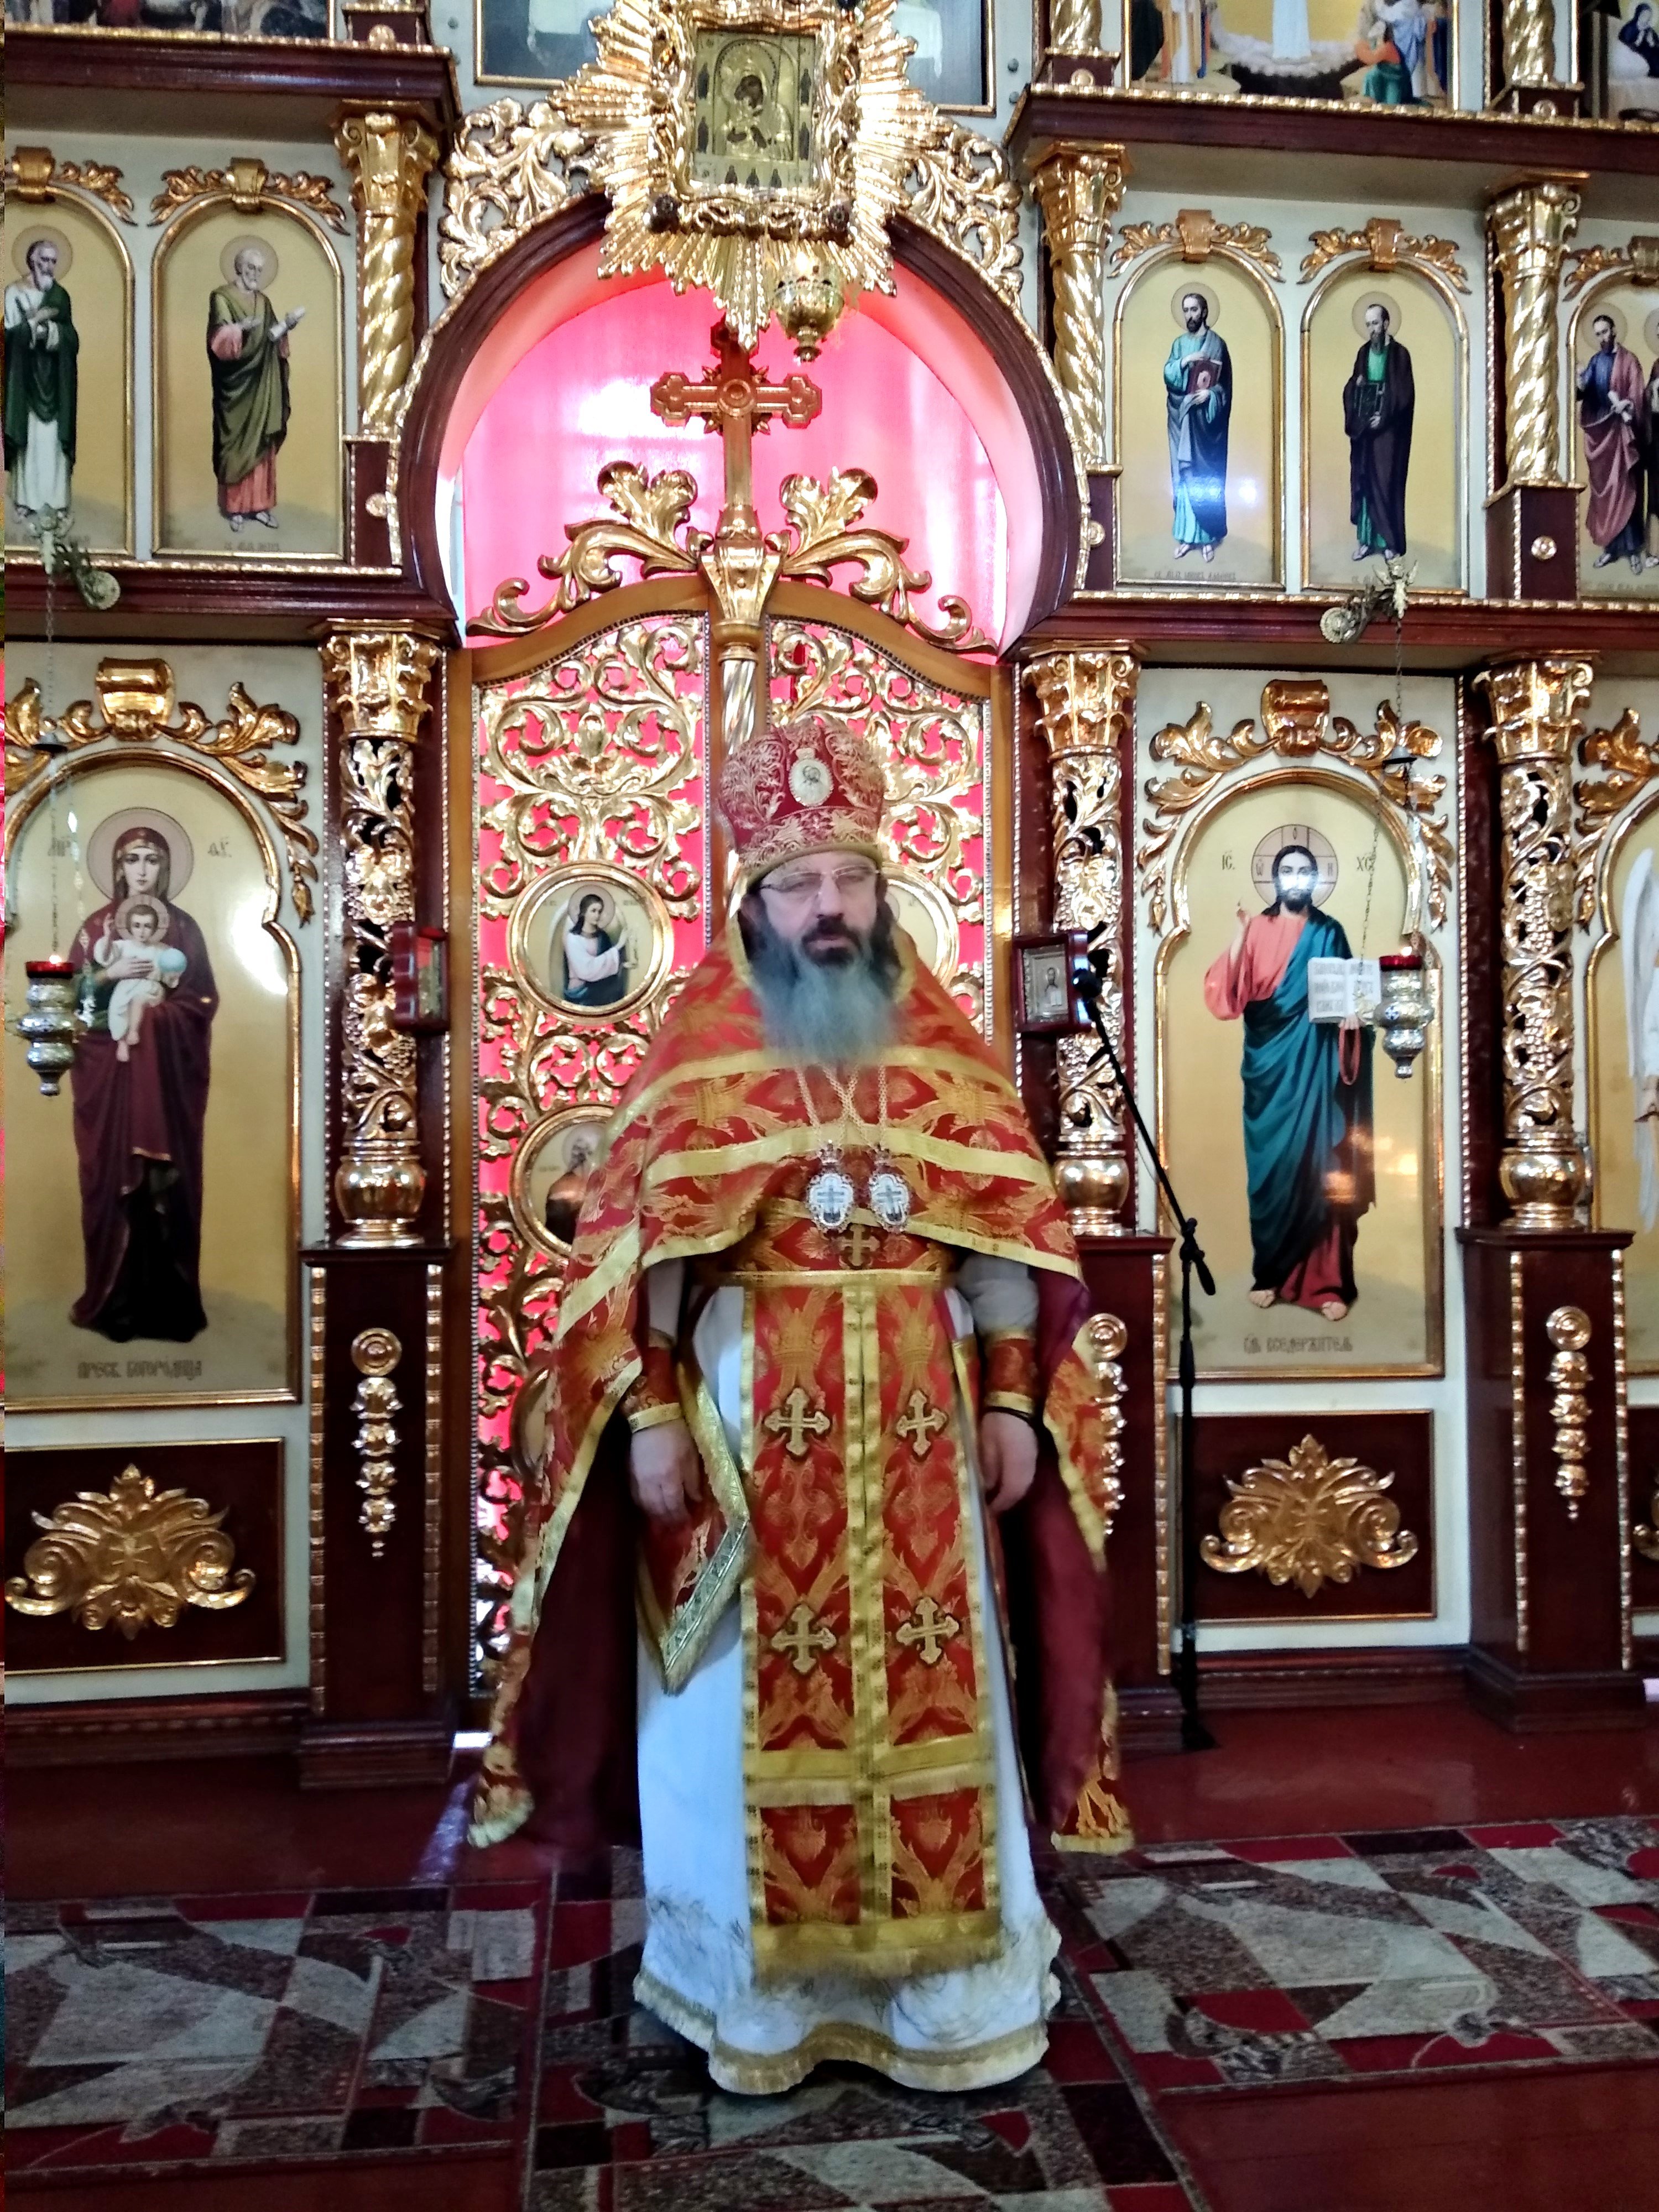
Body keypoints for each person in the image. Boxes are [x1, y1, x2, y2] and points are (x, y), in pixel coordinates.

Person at [471, 709, 1130, 2095]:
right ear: (752, 903)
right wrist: (653, 1416)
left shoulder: (945, 1052)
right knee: (730, 1706)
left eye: (850, 879)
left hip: (925, 1430)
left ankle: (946, 2001)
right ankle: (759, 2002)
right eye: (799, 884)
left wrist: (1013, 1401)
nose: (828, 907)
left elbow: (1001, 1245)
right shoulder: (697, 1052)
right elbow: (641, 1260)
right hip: (743, 1428)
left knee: (949, 1693)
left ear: (881, 894)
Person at [1203, 843, 1374, 1323]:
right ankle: (1271, 1276)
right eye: (1288, 871)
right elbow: (1227, 998)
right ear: (1276, 880)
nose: (1296, 879)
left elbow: (1351, 997)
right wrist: (1240, 935)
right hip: (1271, 1071)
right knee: (1274, 1171)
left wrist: (1353, 1021)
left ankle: (1328, 1282)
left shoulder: (1329, 932)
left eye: (1304, 872)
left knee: (1325, 1164)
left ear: (1314, 881)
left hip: (1319, 1067)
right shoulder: (1256, 929)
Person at [69, 823, 218, 1342]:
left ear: (166, 868)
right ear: (118, 867)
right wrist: (107, 977)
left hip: (166, 1081)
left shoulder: (184, 930)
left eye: (152, 860)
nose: (142, 870)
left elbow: (201, 1002)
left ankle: (172, 1307)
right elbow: (69, 1001)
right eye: (133, 859)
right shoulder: (95, 930)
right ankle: (113, 1304)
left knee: (166, 1187)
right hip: (109, 1076)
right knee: (112, 1181)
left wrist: (157, 1016)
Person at [207, 242, 304, 535]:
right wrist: (240, 329)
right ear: (239, 268)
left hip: (263, 382)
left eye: (260, 271)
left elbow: (271, 336)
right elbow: (218, 340)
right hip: (235, 386)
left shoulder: (264, 301)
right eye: (251, 268)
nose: (255, 275)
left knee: (262, 442)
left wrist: (286, 327)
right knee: (235, 445)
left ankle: (260, 506)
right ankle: (235, 508)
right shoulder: (221, 297)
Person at [4, 236, 79, 529]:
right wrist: (30, 328)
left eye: (53, 261)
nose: (49, 266)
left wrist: (49, 332)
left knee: (52, 443)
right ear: (32, 261)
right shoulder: (14, 292)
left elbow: (71, 338)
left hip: (56, 382)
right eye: (44, 260)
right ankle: (25, 501)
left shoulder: (61, 296)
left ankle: (57, 503)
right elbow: (9, 336)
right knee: (31, 440)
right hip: (25, 379)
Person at [1343, 301, 1415, 561]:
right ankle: (1366, 541)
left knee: (1385, 484)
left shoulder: (1400, 355)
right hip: (1365, 431)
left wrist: (1382, 418)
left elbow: (1404, 394)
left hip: (1389, 435)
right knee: (1365, 483)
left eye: (1375, 323)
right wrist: (1356, 384)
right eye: (1368, 325)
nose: (1371, 329)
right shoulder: (1363, 353)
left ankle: (1389, 542)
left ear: (1386, 324)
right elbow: (1353, 386)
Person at [1164, 291, 1232, 564]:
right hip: (1183, 421)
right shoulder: (1180, 344)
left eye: (1194, 310)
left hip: (1208, 429)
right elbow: (1170, 374)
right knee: (1185, 475)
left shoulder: (1218, 344)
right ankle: (1187, 536)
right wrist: (1185, 361)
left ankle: (1207, 537)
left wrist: (1211, 395)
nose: (1190, 315)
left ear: (1204, 312)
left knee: (1206, 475)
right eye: (1186, 310)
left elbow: (1225, 387)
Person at [1577, 311, 1646, 574]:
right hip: (1603, 435)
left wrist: (1626, 404)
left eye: (1605, 332)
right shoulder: (1596, 361)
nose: (1602, 338)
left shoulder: (1629, 361)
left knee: (1627, 490)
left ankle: (1633, 551)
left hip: (1623, 435)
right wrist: (1579, 380)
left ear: (1614, 330)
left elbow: (1638, 395)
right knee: (1606, 496)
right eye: (1598, 334)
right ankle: (1611, 549)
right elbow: (1585, 393)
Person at [91, 897, 189, 1064]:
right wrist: (108, 936)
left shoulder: (162, 950)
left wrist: (173, 973)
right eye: (137, 926)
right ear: (130, 927)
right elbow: (106, 957)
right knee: (117, 1008)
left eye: (147, 926)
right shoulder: (123, 946)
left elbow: (170, 973)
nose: (142, 931)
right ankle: (122, 1043)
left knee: (138, 1000)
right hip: (125, 988)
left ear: (154, 928)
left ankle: (133, 1032)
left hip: (150, 988)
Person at [560, 889, 627, 1008]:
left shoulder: (603, 937)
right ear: (584, 912)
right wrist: (618, 947)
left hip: (601, 989)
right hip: (580, 992)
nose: (597, 915)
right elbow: (585, 970)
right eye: (593, 911)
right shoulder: (573, 938)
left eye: (600, 911)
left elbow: (612, 965)